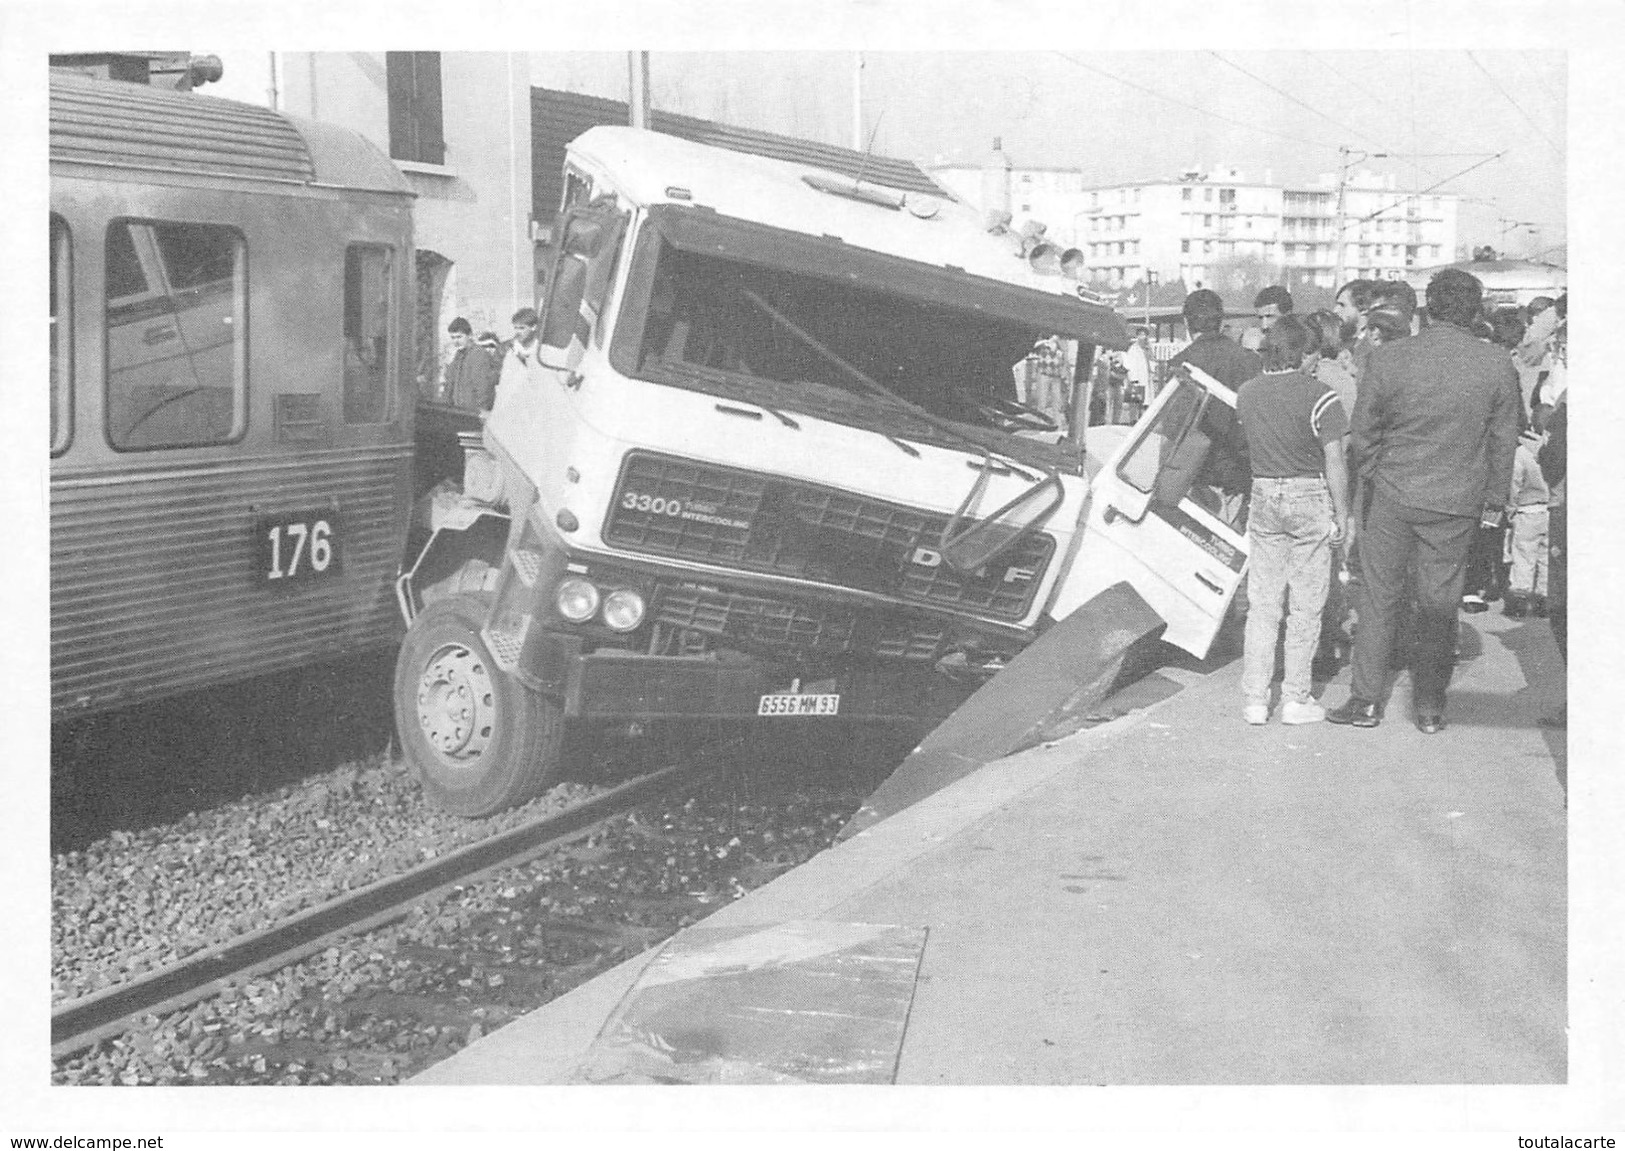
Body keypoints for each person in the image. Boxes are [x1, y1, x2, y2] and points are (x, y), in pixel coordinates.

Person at [1328, 269, 1521, 733]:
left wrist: (1377, 474)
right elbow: (1503, 440)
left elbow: (1364, 434)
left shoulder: (1389, 359)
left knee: (1379, 597)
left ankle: (1366, 700)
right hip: (1457, 501)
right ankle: (1430, 707)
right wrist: (1493, 499)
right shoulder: (1495, 363)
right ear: (1475, 312)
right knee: (1440, 602)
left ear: (1428, 308)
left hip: (1392, 496)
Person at [1235, 314, 1351, 725]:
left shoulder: (1246, 394)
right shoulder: (1322, 396)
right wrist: (1343, 514)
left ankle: (1254, 698)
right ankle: (1296, 698)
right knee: (1305, 606)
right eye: (1312, 353)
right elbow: (1335, 461)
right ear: (1301, 353)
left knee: (1263, 604)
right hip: (1308, 494)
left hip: (1263, 492)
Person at [1503, 426, 1550, 618]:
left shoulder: (1521, 453)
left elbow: (1515, 483)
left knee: (1523, 556)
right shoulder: (1552, 449)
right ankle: (1544, 598)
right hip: (1549, 509)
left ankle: (1520, 600)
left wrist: (1510, 509)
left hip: (1527, 510)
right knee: (1545, 557)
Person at [442, 316, 499, 411]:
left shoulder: (479, 355)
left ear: (470, 335)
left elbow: (484, 390)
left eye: (459, 337)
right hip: (458, 413)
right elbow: (449, 388)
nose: (456, 341)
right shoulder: (458, 357)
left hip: (473, 415)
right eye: (453, 337)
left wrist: (480, 414)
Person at [1333, 278, 1378, 385]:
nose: (1335, 310)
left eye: (1342, 305)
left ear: (1363, 310)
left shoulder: (1374, 347)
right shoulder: (1334, 343)